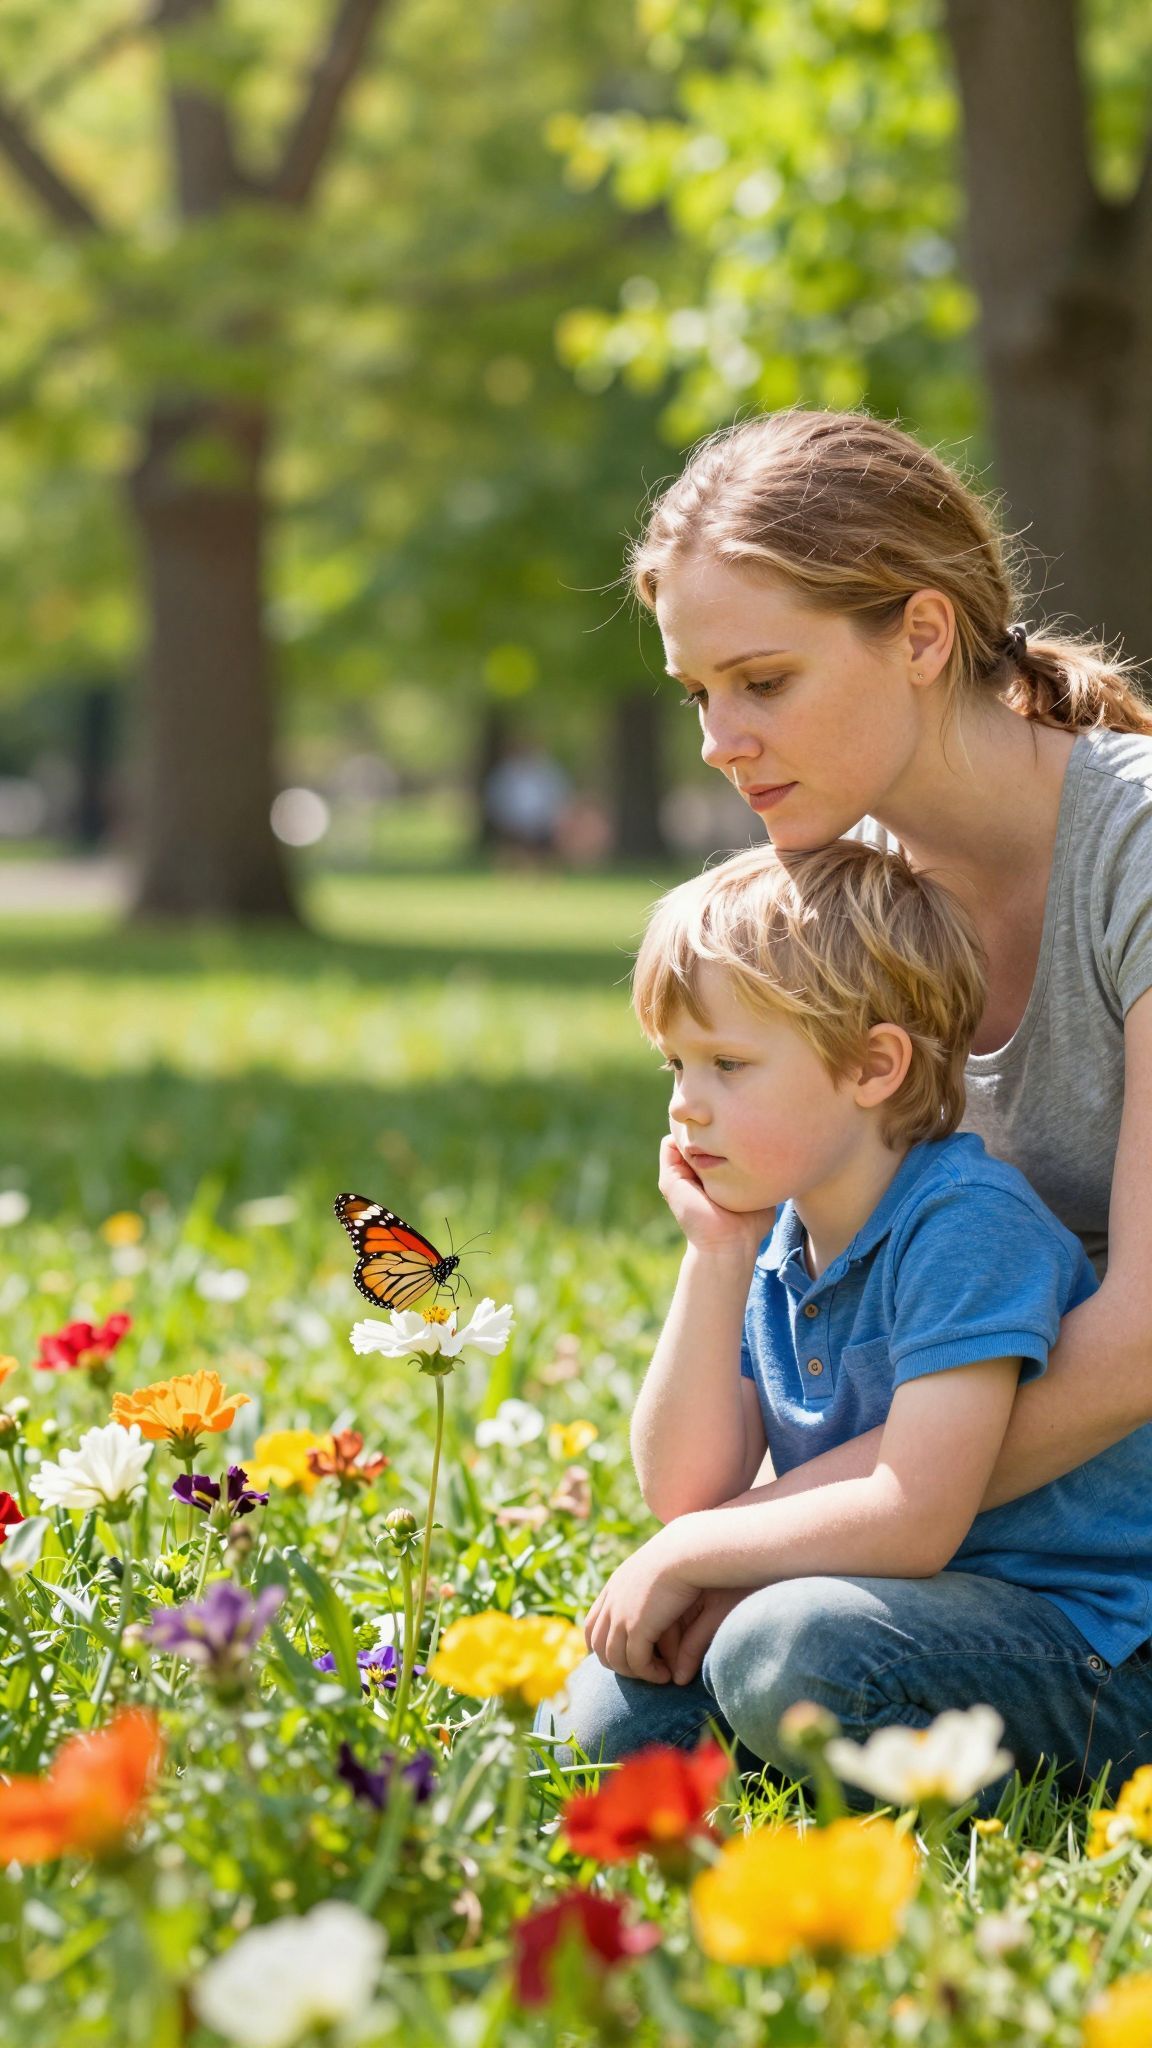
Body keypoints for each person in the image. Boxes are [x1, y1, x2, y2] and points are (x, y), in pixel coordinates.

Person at [533, 841, 1152, 1802]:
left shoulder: (965, 1223)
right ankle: (818, 1753)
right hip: (905, 1611)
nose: (685, 1106)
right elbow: (687, 1485)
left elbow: (915, 1516)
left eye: (728, 1064)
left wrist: (691, 1555)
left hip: (1087, 1646)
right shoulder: (780, 1235)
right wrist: (717, 1256)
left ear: (874, 1065)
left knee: (787, 1650)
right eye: (676, 1063)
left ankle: (990, 1807)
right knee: (595, 1730)